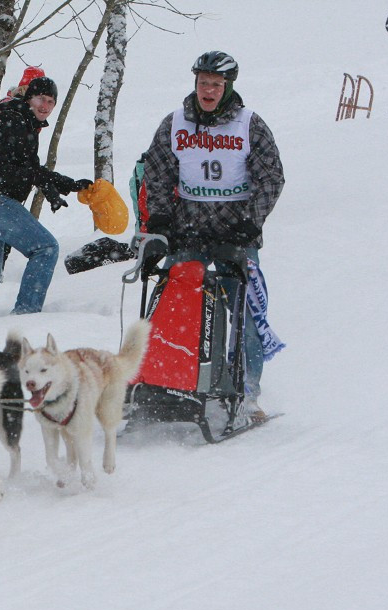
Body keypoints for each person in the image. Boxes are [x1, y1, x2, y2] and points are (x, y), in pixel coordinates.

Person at [141, 51, 285, 418]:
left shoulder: (249, 124)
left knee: (248, 315)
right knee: (173, 305)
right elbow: (156, 173)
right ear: (195, 84)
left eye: (216, 85)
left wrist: (252, 221)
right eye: (203, 83)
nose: (209, 90)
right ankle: (168, 382)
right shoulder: (174, 123)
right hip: (189, 229)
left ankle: (248, 392)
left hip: (236, 233)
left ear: (228, 87)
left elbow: (271, 176)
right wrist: (159, 219)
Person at [0, 76, 92, 322]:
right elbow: (10, 168)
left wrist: (67, 185)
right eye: (41, 99)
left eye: (51, 102)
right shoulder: (15, 122)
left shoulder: (11, 118)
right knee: (46, 248)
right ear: (29, 98)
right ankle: (25, 317)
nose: (46, 106)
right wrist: (48, 185)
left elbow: (28, 169)